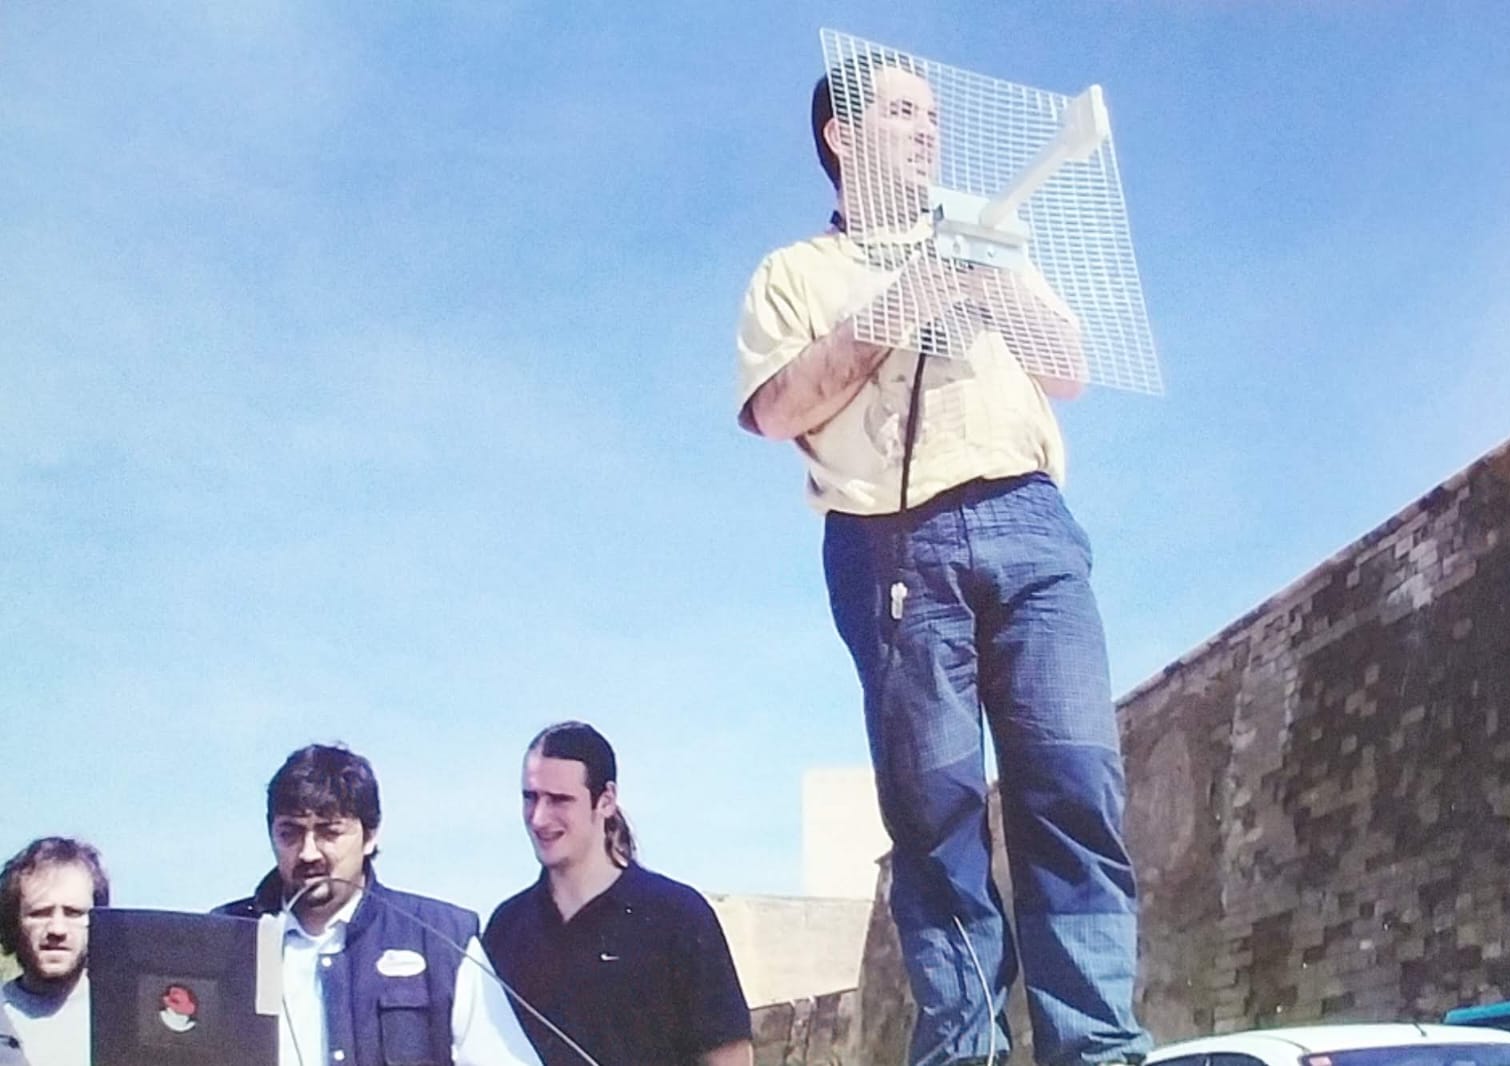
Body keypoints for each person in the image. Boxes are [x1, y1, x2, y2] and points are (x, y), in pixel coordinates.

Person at [734, 51, 1151, 1066]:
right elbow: (778, 406)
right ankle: (963, 1051)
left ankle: (1095, 1048)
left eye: (933, 115)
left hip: (1032, 522)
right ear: (842, 135)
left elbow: (1068, 370)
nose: (930, 130)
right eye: (904, 113)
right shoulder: (794, 272)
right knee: (935, 816)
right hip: (894, 544)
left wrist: (990, 269)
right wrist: (894, 301)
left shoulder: (988, 234)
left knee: (1074, 787)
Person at [216, 744, 542, 1066]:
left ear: (370, 835)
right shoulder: (221, 941)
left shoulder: (440, 940)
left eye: (329, 832)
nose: (308, 853)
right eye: (291, 834)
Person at [483, 722, 752, 1066]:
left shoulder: (679, 916)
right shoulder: (507, 927)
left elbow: (729, 1057)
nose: (539, 818)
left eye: (559, 800)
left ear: (606, 800)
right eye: (530, 797)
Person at [0, 836, 110, 1066]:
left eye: (73, 913)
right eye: (40, 913)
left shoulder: (132, 1019)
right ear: (13, 922)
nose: (57, 929)